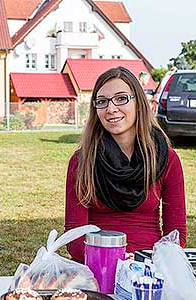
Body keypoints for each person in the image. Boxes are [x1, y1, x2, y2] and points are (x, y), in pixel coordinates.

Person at [65, 67, 186, 263]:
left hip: (149, 267)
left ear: (138, 102)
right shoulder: (81, 161)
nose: (111, 109)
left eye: (121, 98)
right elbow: (74, 236)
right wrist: (112, 261)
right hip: (97, 267)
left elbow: (176, 233)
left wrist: (147, 263)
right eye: (102, 102)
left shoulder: (168, 159)